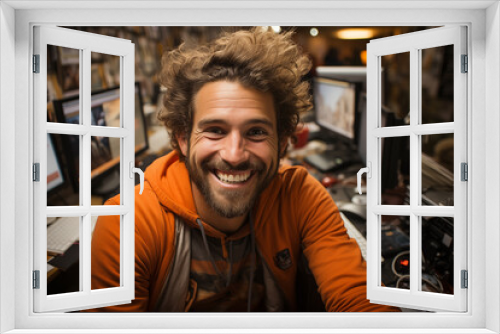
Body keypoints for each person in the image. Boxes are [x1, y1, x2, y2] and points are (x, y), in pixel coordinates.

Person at [90, 27, 400, 313]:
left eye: (256, 132)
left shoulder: (299, 197)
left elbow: (361, 299)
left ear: (282, 142)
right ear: (183, 138)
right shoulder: (127, 225)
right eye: (214, 130)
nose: (234, 155)